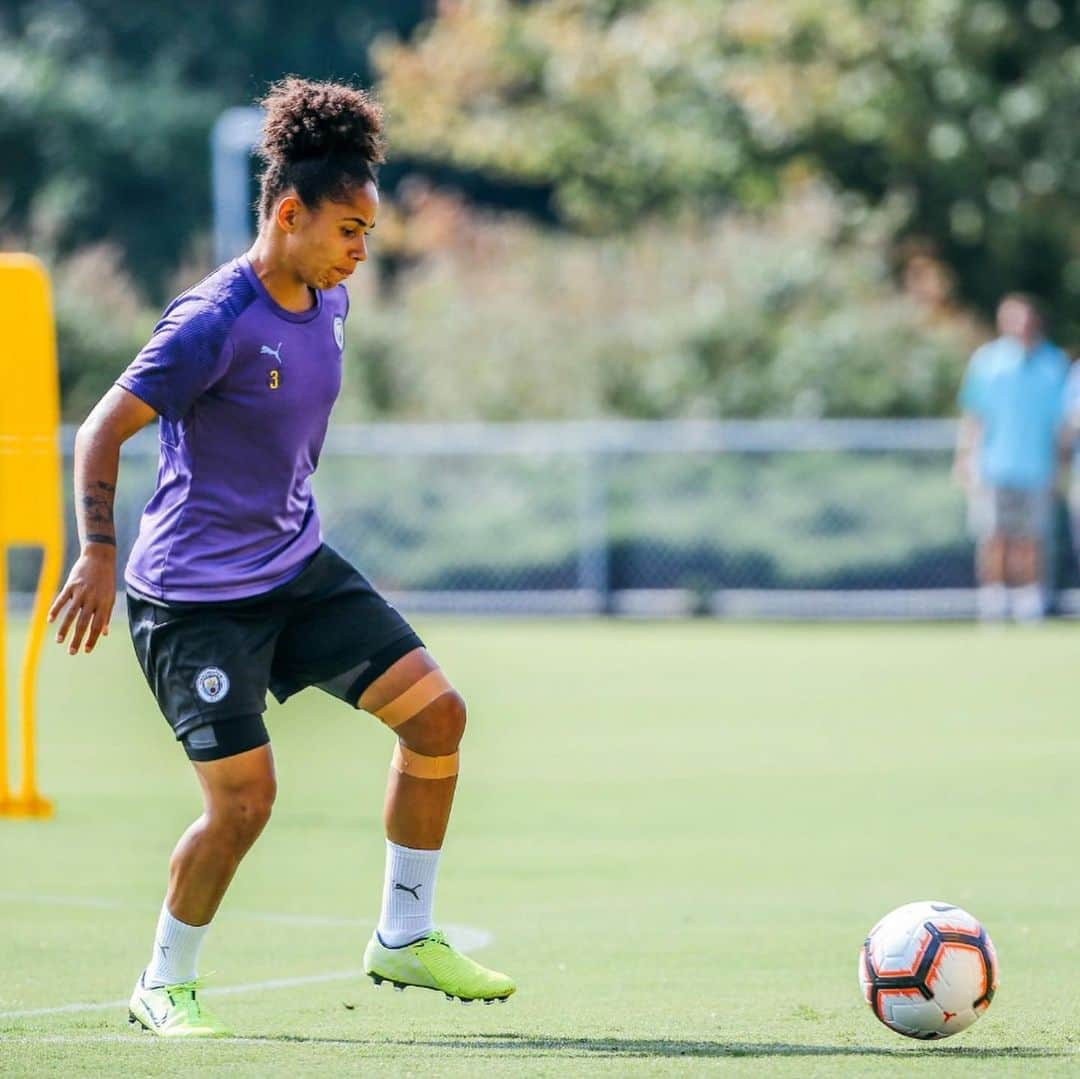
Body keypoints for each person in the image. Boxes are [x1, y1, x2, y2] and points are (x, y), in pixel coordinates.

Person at [47, 77, 515, 1038]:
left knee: (438, 719)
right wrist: (96, 551)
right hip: (194, 602)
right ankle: (161, 983)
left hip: (295, 570)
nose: (360, 250)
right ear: (289, 213)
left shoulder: (329, 301)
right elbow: (100, 429)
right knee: (246, 802)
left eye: (367, 233)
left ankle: (404, 933)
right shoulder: (211, 320)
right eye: (349, 230)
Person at [953, 293, 1068, 623]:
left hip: (1037, 468)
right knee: (993, 536)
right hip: (994, 466)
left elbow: (1060, 425)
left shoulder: (1053, 364)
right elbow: (974, 416)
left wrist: (1059, 468)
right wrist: (965, 458)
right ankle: (994, 600)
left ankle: (1029, 601)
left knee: (1033, 537)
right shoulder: (987, 362)